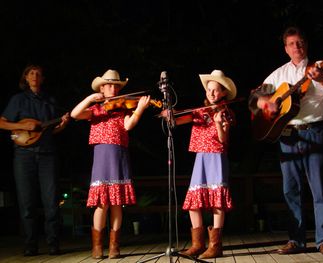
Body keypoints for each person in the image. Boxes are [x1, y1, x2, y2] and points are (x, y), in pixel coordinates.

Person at [248, 26, 323, 256]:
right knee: (291, 189)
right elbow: (255, 96)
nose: (296, 47)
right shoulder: (279, 74)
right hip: (287, 135)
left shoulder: (321, 66)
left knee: (319, 188)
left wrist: (321, 79)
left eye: (300, 42)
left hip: (314, 131)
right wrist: (265, 103)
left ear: (306, 44)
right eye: (291, 44)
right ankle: (296, 240)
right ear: (285, 49)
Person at [70, 69, 150, 259]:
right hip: (102, 157)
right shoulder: (96, 110)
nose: (112, 88)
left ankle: (114, 246)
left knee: (117, 203)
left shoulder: (123, 109)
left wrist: (139, 109)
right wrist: (90, 98)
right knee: (102, 203)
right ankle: (97, 246)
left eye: (115, 85)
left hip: (119, 156)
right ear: (101, 88)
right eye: (108, 85)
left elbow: (129, 126)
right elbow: (74, 114)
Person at [163, 70, 236, 259]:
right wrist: (169, 114)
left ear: (223, 93)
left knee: (217, 200)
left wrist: (219, 123)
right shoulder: (199, 111)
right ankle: (197, 244)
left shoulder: (226, 113)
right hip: (201, 158)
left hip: (217, 157)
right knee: (194, 201)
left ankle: (216, 245)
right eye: (209, 90)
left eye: (215, 90)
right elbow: (176, 121)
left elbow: (224, 141)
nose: (211, 93)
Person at [0, 65, 70, 256]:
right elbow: (2, 122)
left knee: (51, 200)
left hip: (47, 154)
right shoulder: (18, 100)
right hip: (23, 156)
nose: (35, 76)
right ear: (25, 77)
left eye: (38, 73)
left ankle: (53, 242)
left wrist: (62, 125)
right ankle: (31, 244)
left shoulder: (50, 102)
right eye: (31, 73)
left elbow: (51, 131)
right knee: (27, 201)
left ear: (43, 78)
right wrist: (23, 124)